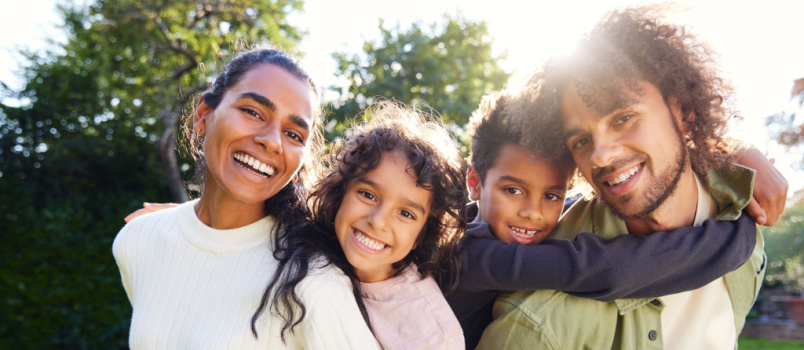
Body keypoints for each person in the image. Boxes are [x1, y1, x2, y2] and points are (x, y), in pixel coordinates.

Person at [477, 6, 788, 349]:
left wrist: (741, 153)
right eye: (580, 141)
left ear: (684, 110)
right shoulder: (537, 325)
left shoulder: (745, 201)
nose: (600, 155)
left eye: (623, 118)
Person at [448, 90, 773, 349]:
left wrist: (734, 153)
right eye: (513, 190)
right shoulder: (466, 254)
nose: (533, 212)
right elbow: (609, 270)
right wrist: (738, 232)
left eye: (551, 195)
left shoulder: (517, 227)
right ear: (474, 183)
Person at [112, 48, 380, 349]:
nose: (272, 141)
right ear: (203, 115)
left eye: (294, 134)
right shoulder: (138, 240)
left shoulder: (313, 281)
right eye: (253, 112)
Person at [265, 101, 466, 349]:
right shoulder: (302, 241)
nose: (378, 221)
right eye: (368, 195)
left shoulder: (432, 335)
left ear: (420, 235)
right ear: (341, 192)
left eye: (405, 213)